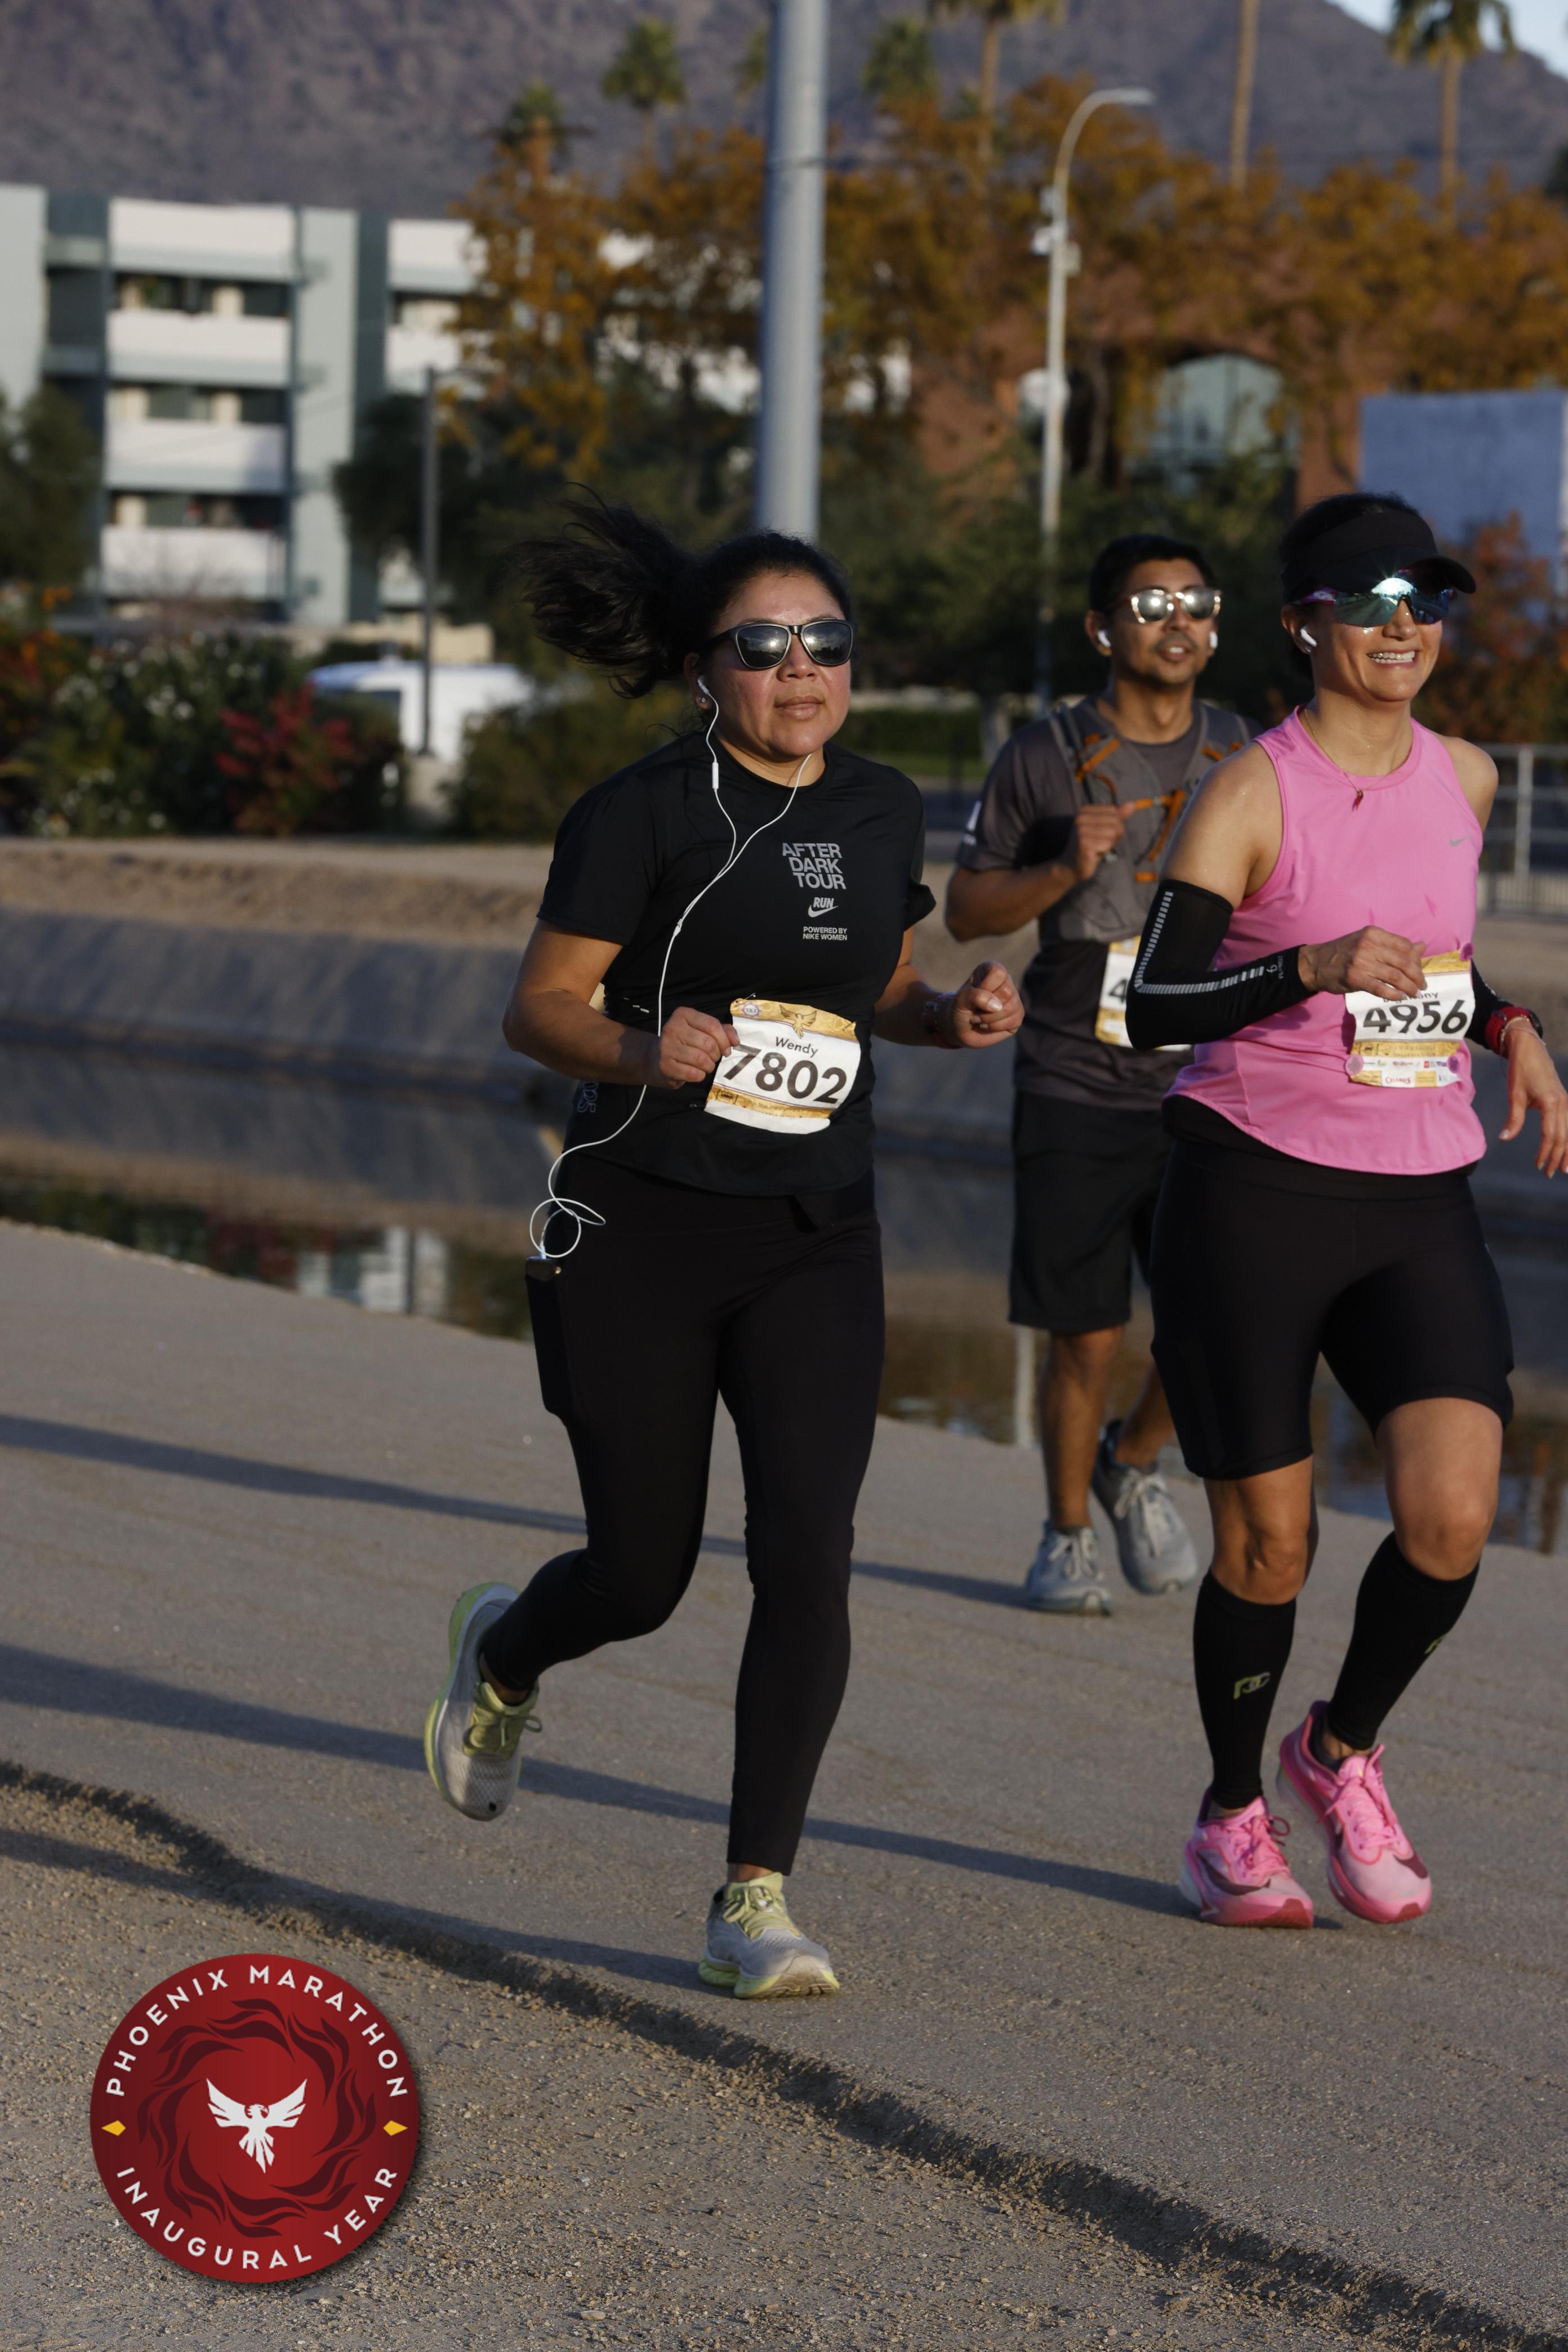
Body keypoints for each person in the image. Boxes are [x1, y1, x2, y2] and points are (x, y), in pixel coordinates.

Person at [424, 493, 1022, 1996]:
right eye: (764, 646)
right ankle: (508, 1655)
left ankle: (755, 1896)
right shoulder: (639, 812)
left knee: (809, 1554)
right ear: (705, 669)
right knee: (642, 1575)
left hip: (817, 1231)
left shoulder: (880, 805)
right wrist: (644, 1047)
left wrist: (948, 1016)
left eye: (826, 640)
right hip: (638, 1223)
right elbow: (537, 1009)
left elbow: (876, 982)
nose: (800, 668)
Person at [1125, 489, 1568, 1928]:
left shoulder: (1468, 778)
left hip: (1420, 1190)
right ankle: (1228, 1818)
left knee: (1452, 1516)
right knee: (1271, 1547)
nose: (1403, 627)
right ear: (1303, 627)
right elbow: (1154, 1003)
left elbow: (1435, 965)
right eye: (1370, 604)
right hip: (1252, 1187)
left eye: (1423, 603)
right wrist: (1303, 968)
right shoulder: (1251, 791)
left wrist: (1511, 1025)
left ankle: (1338, 1751)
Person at [946, 534, 1252, 1615]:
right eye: (1151, 604)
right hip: (1074, 1078)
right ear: (1101, 628)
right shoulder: (1044, 754)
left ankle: (1133, 1461)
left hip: (1210, 1082)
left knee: (1229, 1316)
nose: (1178, 623)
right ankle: (1067, 1533)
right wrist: (1061, 867)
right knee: (1087, 1335)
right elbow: (965, 911)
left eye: (1196, 603)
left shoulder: (1247, 752)